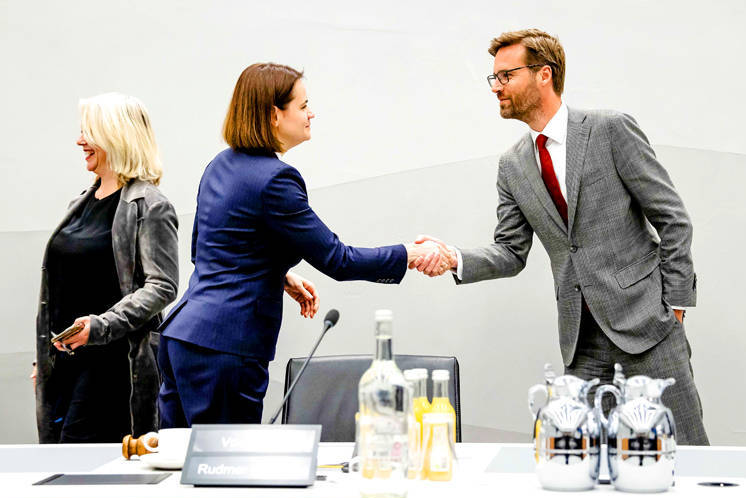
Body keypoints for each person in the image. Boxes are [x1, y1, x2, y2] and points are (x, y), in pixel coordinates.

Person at [413, 29, 708, 445]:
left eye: (506, 76)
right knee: (580, 467)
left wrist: (674, 306)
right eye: (493, 78)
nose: (496, 87)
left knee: (687, 455)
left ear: (543, 75)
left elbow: (673, 218)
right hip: (581, 341)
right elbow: (511, 251)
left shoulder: (611, 130)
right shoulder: (512, 165)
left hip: (648, 328)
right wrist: (454, 257)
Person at [157, 63, 438, 428]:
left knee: (177, 470)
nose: (312, 113)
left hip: (182, 336)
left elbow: (208, 250)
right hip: (228, 348)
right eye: (303, 106)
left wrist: (279, 275)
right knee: (222, 471)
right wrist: (409, 254)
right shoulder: (276, 179)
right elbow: (338, 260)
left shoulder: (219, 165)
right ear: (275, 114)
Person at [34, 93, 179, 443]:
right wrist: (46, 357)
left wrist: (100, 326)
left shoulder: (151, 205)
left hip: (116, 368)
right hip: (66, 367)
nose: (80, 140)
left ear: (115, 135)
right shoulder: (79, 204)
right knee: (59, 468)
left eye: (89, 131)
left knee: (83, 472)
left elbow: (162, 286)